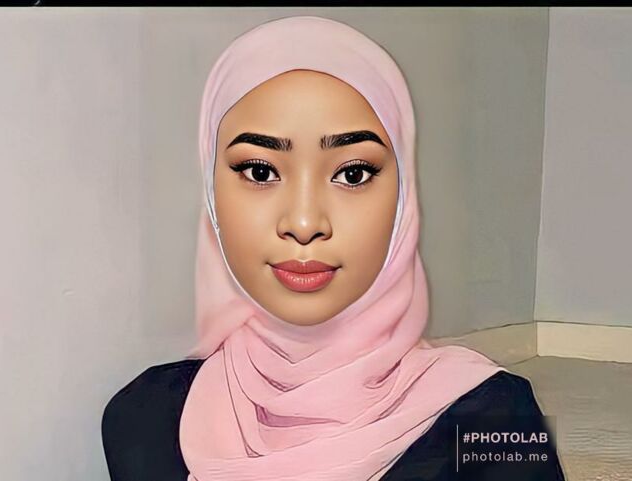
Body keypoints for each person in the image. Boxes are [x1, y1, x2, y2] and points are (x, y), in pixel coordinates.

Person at [102, 15, 566, 481]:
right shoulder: (143, 418)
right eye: (260, 171)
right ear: (212, 196)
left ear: (403, 202)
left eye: (353, 173)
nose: (305, 223)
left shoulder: (495, 421)